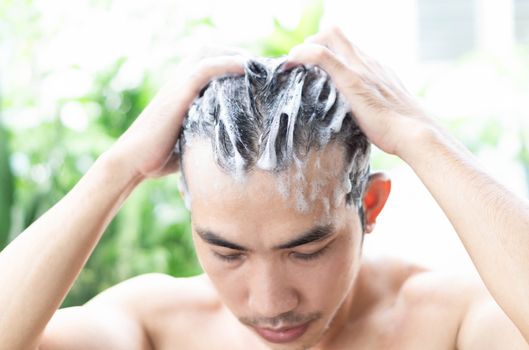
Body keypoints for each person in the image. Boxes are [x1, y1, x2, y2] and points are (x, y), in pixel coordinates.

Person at [1, 27, 529, 350]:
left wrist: (423, 138)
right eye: (226, 252)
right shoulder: (153, 328)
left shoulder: (453, 322)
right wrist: (118, 168)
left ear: (370, 204)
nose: (270, 301)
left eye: (307, 250)